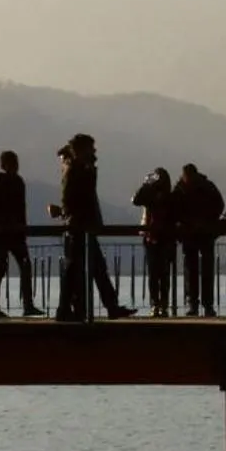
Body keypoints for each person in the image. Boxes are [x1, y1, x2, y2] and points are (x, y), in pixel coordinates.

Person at [50, 134, 134, 322]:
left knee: (93, 269)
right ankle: (72, 309)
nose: (94, 151)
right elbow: (71, 199)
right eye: (91, 148)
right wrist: (69, 215)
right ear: (82, 150)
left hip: (83, 226)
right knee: (80, 270)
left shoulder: (81, 169)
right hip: (79, 226)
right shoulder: (73, 170)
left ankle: (105, 306)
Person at [0, 150, 39, 317]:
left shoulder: (17, 182)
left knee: (23, 266)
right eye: (12, 162)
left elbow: (22, 208)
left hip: (15, 232)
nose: (15, 165)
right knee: (3, 267)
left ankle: (27, 305)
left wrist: (22, 227)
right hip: (2, 231)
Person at [171, 163, 226, 317]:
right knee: (194, 270)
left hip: (201, 233)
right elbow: (219, 205)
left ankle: (202, 305)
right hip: (197, 234)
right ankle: (198, 305)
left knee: (198, 270)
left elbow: (219, 205)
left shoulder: (184, 189)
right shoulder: (201, 187)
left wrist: (200, 222)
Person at [133, 167, 178, 315]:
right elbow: (136, 199)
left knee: (161, 274)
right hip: (152, 237)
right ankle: (157, 304)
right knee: (156, 274)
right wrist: (146, 184)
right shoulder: (149, 195)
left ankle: (161, 304)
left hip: (162, 238)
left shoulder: (170, 198)